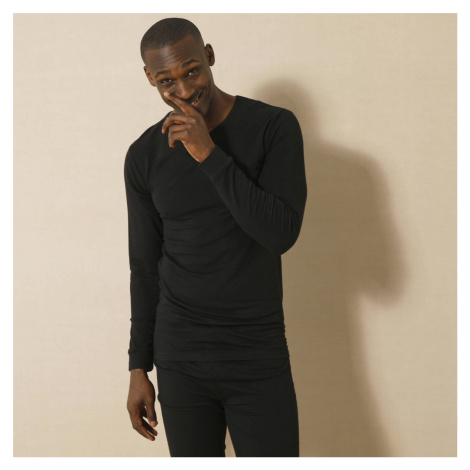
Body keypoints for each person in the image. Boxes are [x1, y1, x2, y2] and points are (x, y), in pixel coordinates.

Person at [124, 17, 307, 457]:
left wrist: (207, 152)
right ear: (149, 78)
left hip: (256, 352)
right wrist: (138, 366)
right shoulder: (144, 154)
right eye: (167, 81)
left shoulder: (273, 127)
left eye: (192, 71)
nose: (184, 89)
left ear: (208, 56)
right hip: (179, 358)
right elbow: (145, 267)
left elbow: (280, 234)